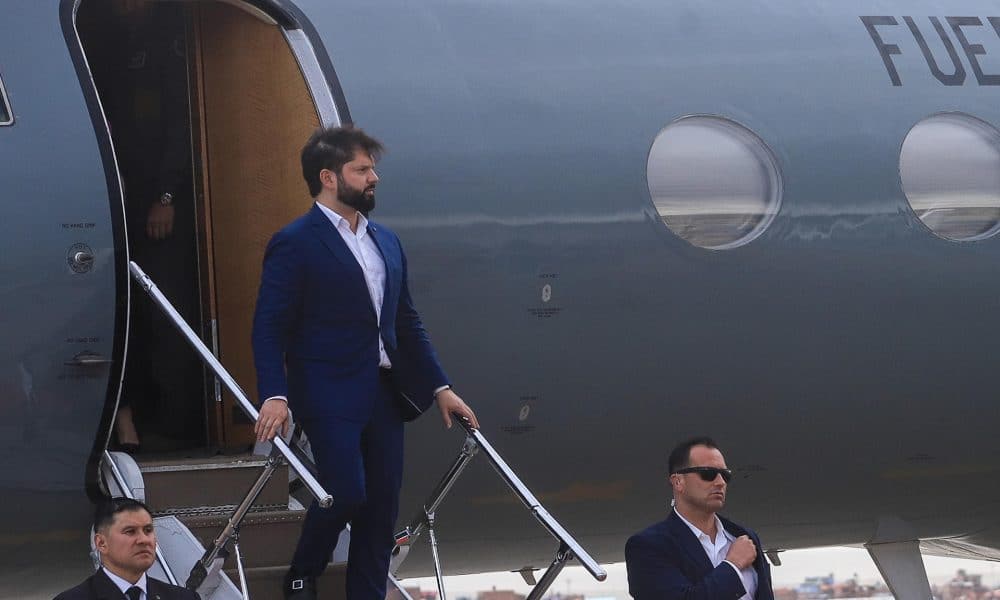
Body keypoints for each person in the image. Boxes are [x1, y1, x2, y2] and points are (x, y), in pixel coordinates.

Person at [251, 125, 479, 600]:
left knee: (380, 509)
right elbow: (269, 327)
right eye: (362, 169)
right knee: (346, 490)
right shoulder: (295, 241)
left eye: (372, 168)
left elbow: (407, 322)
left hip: (384, 392)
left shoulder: (386, 241)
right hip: (326, 390)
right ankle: (303, 572)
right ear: (329, 177)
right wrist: (275, 394)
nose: (373, 177)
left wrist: (441, 387)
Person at [624, 437, 774, 600]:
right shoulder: (647, 546)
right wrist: (733, 565)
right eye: (707, 473)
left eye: (725, 475)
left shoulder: (745, 537)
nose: (720, 482)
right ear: (678, 482)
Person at [53, 497, 200, 600]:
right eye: (130, 531)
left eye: (148, 530)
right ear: (101, 543)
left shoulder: (183, 597)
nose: (144, 540)